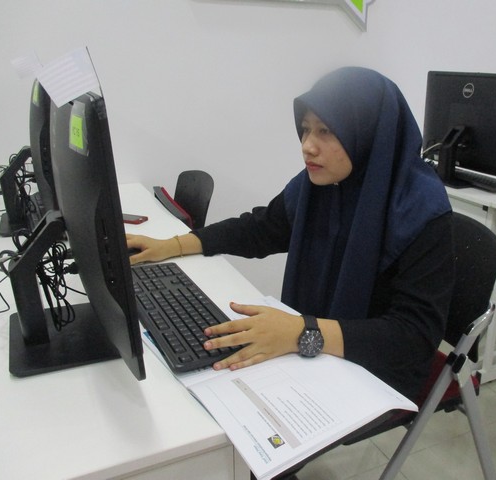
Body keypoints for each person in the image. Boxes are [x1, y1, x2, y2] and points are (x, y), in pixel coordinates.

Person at [126, 66, 454, 402]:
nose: (308, 146)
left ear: (368, 132)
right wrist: (174, 245)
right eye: (305, 129)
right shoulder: (321, 185)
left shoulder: (422, 210)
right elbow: (261, 228)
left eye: (326, 131)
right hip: (314, 344)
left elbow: (414, 337)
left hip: (379, 374)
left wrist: (302, 330)